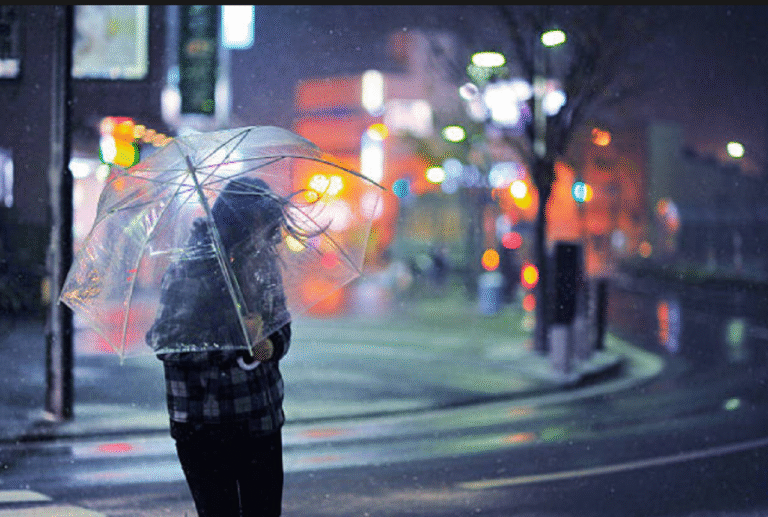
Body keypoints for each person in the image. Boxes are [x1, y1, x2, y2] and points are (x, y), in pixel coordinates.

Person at [146, 177, 291, 517]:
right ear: (238, 223)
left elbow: (282, 323)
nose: (264, 236)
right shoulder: (191, 268)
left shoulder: (262, 264)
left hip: (260, 419)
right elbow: (168, 343)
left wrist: (270, 343)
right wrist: (235, 343)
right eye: (258, 226)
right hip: (206, 427)